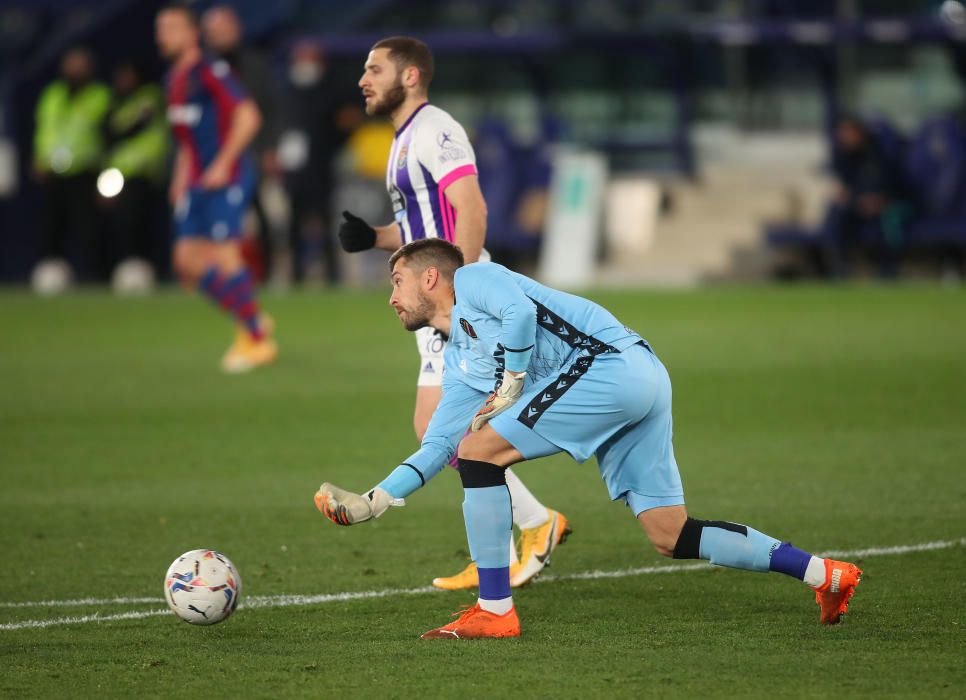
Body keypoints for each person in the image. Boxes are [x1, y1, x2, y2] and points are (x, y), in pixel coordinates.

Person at [315, 239, 863, 639]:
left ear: (429, 277)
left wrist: (512, 383)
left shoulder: (475, 281)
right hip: (640, 380)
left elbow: (520, 312)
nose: (391, 297)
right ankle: (824, 573)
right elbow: (437, 444)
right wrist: (375, 500)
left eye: (396, 282)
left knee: (480, 452)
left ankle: (495, 610)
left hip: (610, 368)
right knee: (670, 534)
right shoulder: (460, 360)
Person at [336, 36, 569, 589]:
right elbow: (424, 230)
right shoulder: (400, 140)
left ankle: (534, 526)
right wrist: (375, 237)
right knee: (436, 428)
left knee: (451, 430)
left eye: (375, 69)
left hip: (454, 296)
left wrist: (463, 291)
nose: (363, 80)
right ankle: (524, 528)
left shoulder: (436, 128)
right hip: (439, 293)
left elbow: (471, 207)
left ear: (411, 75)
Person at [156, 3, 276, 372]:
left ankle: (256, 338)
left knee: (225, 254)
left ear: (193, 33)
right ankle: (252, 316)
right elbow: (187, 142)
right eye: (161, 28)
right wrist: (181, 177)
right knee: (186, 262)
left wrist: (223, 163)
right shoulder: (173, 80)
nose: (164, 35)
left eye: (173, 27)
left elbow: (248, 116)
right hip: (196, 181)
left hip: (229, 175)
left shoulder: (211, 70)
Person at [202, 4, 281, 279]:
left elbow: (269, 109)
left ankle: (266, 273)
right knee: (215, 220)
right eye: (214, 31)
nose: (219, 36)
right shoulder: (201, 70)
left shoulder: (255, 65)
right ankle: (216, 273)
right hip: (210, 158)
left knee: (260, 218)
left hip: (251, 156)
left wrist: (270, 148)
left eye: (224, 29)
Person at [278, 40, 361, 284]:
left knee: (325, 221)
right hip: (293, 169)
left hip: (322, 167)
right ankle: (296, 275)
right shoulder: (285, 89)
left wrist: (333, 145)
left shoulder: (333, 90)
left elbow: (348, 122)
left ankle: (332, 274)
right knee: (293, 223)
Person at [33, 46, 110, 281]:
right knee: (52, 225)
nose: (74, 69)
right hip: (54, 172)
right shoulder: (53, 94)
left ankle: (97, 276)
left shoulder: (100, 95)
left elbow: (106, 133)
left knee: (89, 227)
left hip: (85, 170)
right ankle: (52, 274)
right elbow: (44, 129)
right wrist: (39, 156)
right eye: (70, 64)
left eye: (80, 65)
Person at [101, 60, 169, 276]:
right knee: (121, 222)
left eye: (128, 75)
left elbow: (130, 128)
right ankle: (123, 265)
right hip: (119, 173)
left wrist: (116, 131)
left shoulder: (149, 95)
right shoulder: (114, 101)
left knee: (141, 221)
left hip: (145, 171)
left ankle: (142, 265)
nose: (124, 81)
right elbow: (106, 131)